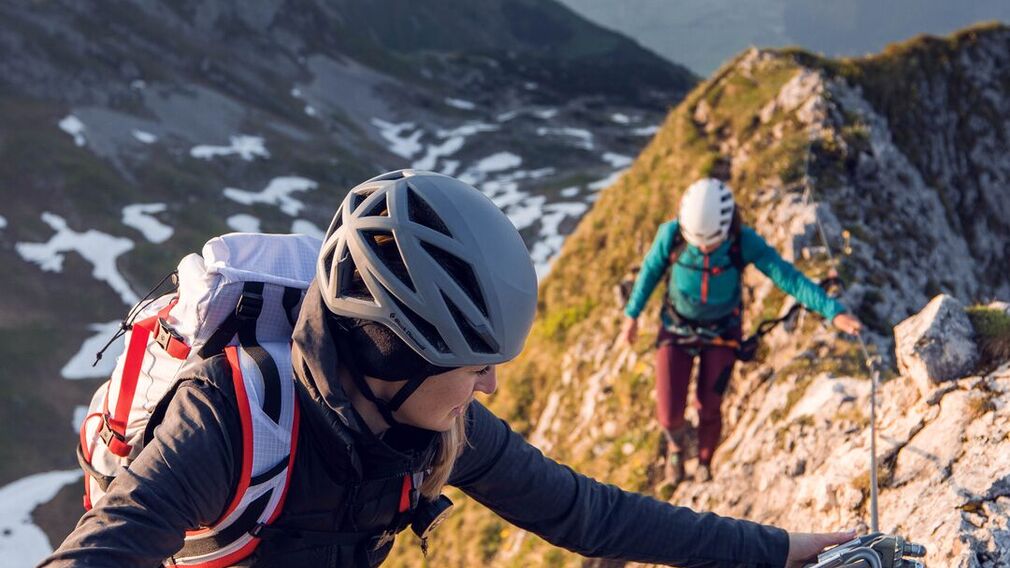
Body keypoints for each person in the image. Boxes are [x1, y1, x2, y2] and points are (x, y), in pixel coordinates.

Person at [44, 170, 855, 567]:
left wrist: (784, 549)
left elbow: (589, 515)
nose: (492, 387)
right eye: (477, 366)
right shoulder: (230, 416)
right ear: (396, 355)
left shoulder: (441, 425)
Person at [621, 178, 862, 485]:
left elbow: (787, 277)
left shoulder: (742, 242)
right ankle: (676, 447)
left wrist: (833, 311)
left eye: (710, 243)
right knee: (668, 414)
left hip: (722, 333)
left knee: (710, 406)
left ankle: (705, 461)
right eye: (698, 243)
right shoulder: (672, 235)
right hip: (676, 328)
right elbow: (650, 271)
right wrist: (632, 315)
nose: (704, 249)